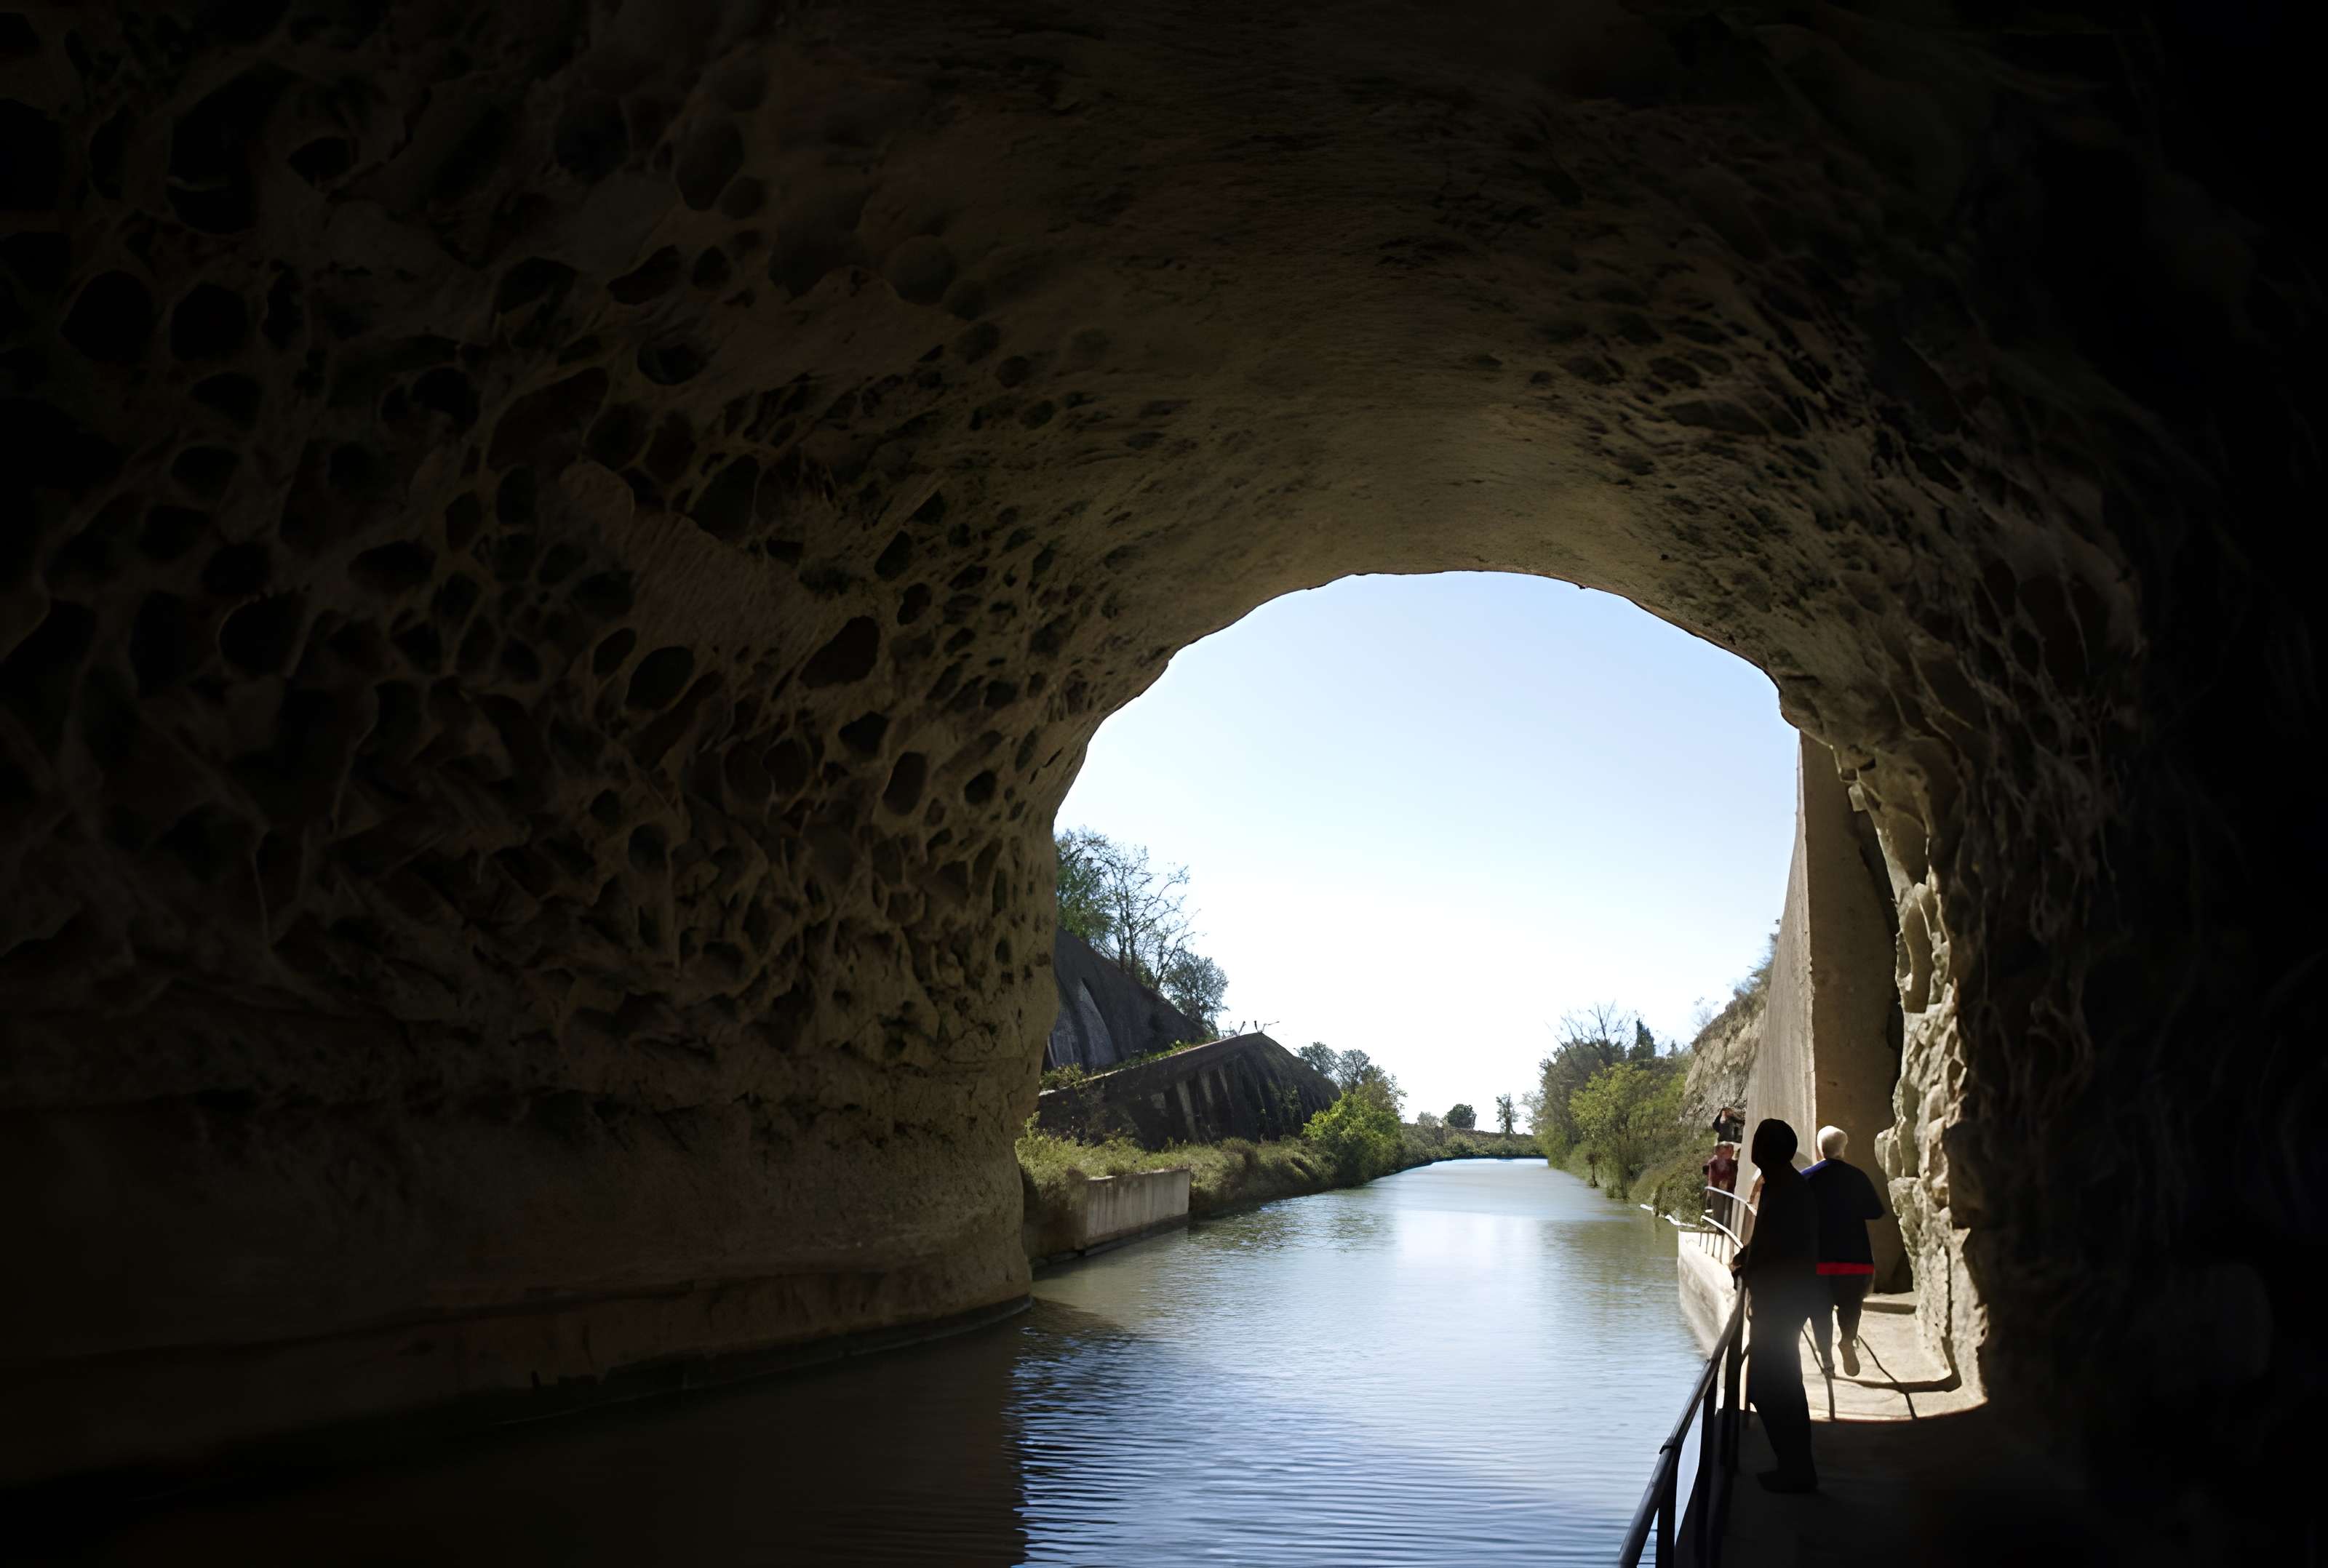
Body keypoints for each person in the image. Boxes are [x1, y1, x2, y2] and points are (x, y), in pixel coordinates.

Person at [1730, 1118, 1818, 1493]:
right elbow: (1770, 1241)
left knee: (1773, 1386)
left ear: (1763, 1150)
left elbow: (1783, 1247)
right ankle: (1794, 1467)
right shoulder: (1782, 1185)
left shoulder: (1787, 1189)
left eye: (1758, 1142)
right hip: (1781, 1298)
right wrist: (1745, 1260)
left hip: (1781, 1301)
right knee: (1777, 1385)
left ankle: (1797, 1471)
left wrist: (1748, 1268)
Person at [1803, 1124, 1887, 1377]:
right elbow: (1875, 1211)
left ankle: (1827, 1362)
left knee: (1820, 1312)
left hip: (1817, 1260)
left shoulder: (1806, 1177)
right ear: (1844, 1148)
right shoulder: (1857, 1176)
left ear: (1820, 1149)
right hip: (1855, 1258)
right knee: (1852, 1306)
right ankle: (1848, 1340)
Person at [1702, 1141, 1739, 1233]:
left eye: (1731, 1151)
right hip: (1717, 1191)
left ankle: (1724, 1229)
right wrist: (1711, 1191)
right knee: (1718, 1210)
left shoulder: (1733, 1164)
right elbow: (1711, 1179)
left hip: (1729, 1191)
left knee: (1728, 1211)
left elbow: (1734, 1177)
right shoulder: (1714, 1163)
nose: (1730, 1153)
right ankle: (1719, 1228)